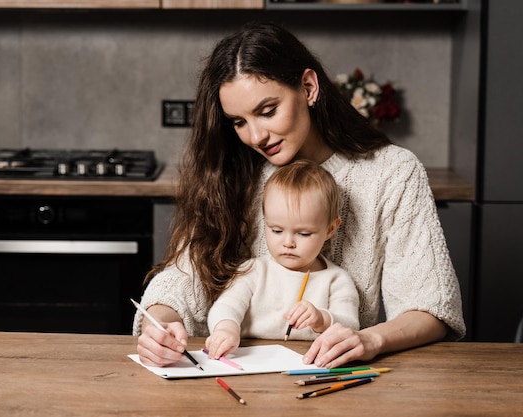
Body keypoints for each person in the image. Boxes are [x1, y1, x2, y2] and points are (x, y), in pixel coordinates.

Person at [133, 21, 465, 369]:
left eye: (267, 111)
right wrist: (160, 323)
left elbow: (431, 306)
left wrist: (370, 339)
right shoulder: (233, 171)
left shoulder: (392, 172)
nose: (256, 136)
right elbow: (180, 279)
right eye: (239, 122)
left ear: (308, 87)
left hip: (331, 375)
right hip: (232, 374)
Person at [206, 160, 360, 359]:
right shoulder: (253, 271)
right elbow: (226, 306)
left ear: (330, 229)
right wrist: (226, 330)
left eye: (304, 234)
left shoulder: (336, 280)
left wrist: (321, 319)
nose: (288, 243)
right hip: (248, 360)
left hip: (309, 362)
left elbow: (351, 325)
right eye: (277, 230)